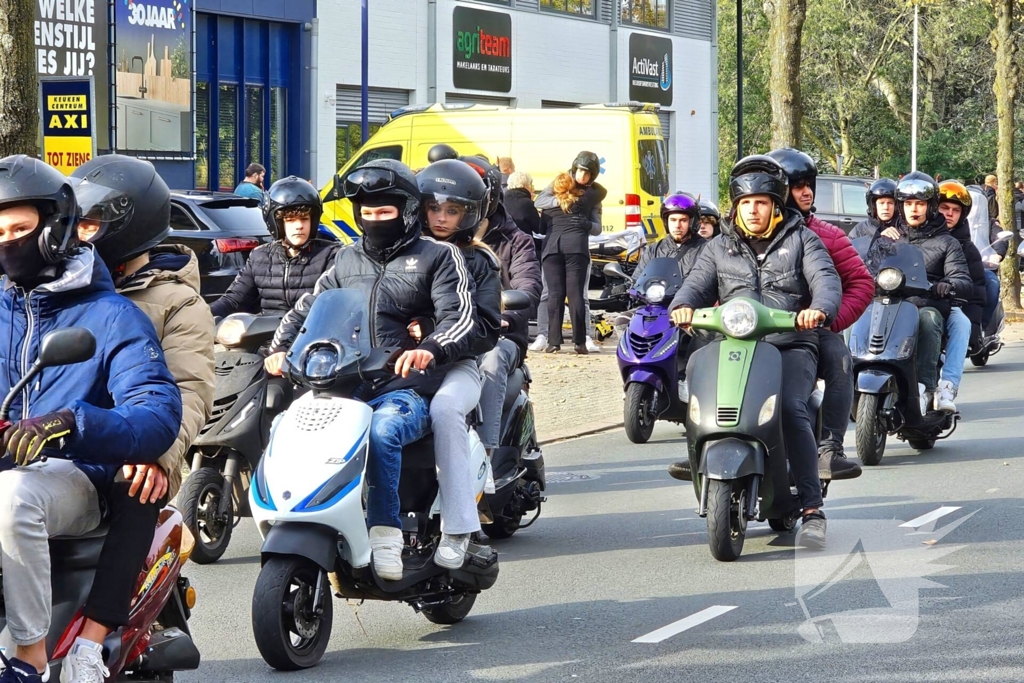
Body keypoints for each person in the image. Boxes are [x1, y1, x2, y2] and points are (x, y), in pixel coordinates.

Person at [0, 156, 182, 683]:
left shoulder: (113, 316)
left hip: (78, 475)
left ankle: (29, 657)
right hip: (10, 463)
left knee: (13, 498)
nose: (8, 242)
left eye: (20, 229)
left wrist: (71, 424)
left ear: (55, 228)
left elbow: (157, 411)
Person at [265, 159, 476, 581]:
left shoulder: (439, 255)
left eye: (385, 211)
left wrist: (430, 348)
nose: (374, 219)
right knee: (290, 421)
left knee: (383, 430)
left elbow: (460, 315)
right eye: (366, 212)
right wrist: (280, 350)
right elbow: (309, 306)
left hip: (407, 387)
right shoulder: (344, 259)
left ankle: (385, 533)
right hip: (346, 382)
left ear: (408, 210)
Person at [67, 154, 215, 683]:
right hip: (58, 441)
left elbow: (189, 390)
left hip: (133, 448)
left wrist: (158, 456)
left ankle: (93, 640)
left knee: (137, 485)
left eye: (89, 224)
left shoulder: (176, 304)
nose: (76, 233)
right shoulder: (62, 285)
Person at [669, 155, 843, 550]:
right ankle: (700, 450)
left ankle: (812, 509)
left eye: (761, 202)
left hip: (790, 342)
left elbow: (826, 281)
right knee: (696, 385)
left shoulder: (803, 239)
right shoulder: (718, 247)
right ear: (735, 207)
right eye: (746, 203)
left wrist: (817, 310)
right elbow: (695, 284)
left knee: (790, 408)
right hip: (732, 342)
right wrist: (681, 305)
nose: (753, 210)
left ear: (776, 205)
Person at [414, 159, 502, 568]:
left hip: (458, 366)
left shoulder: (480, 262)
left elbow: (485, 329)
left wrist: (431, 336)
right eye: (434, 208)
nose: (442, 218)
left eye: (452, 211)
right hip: (400, 366)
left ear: (470, 214)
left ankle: (460, 528)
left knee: (445, 410)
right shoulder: (405, 254)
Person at [768, 148, 873, 481]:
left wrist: (829, 319)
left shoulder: (827, 235)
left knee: (841, 359)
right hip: (750, 330)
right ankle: (704, 443)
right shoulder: (739, 235)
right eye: (797, 185)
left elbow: (860, 283)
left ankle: (829, 449)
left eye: (809, 184)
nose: (807, 192)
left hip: (810, 332)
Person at [866, 172, 973, 410]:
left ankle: (927, 386)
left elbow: (963, 279)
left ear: (930, 207)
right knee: (857, 317)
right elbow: (865, 272)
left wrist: (948, 285)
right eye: (908, 203)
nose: (914, 209)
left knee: (929, 318)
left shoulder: (948, 242)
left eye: (920, 203)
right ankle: (849, 379)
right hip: (888, 304)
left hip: (926, 304)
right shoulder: (887, 237)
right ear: (901, 206)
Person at [211, 177, 339, 318]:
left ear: (313, 221)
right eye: (290, 220)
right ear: (276, 223)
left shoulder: (331, 256)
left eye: (304, 219)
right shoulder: (259, 257)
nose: (299, 225)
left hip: (311, 336)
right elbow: (233, 301)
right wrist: (203, 315)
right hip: (267, 336)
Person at [530, 151, 605, 354]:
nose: (581, 176)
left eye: (586, 173)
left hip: (553, 248)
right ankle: (578, 342)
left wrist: (582, 219)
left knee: (557, 295)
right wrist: (568, 205)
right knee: (572, 295)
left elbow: (540, 216)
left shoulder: (591, 196)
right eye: (580, 171)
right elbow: (539, 201)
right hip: (574, 248)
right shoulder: (592, 196)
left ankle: (555, 342)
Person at [935, 181, 984, 413]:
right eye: (944, 207)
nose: (949, 214)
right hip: (912, 304)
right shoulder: (914, 234)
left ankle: (948, 387)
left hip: (950, 307)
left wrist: (974, 326)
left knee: (962, 323)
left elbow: (977, 291)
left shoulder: (968, 249)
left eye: (955, 210)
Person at [503, 171, 543, 253]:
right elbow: (539, 228)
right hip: (522, 246)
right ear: (525, 186)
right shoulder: (526, 203)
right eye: (530, 185)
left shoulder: (501, 201)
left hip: (503, 246)